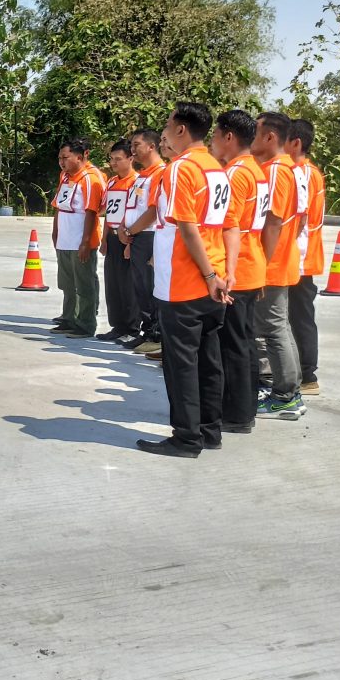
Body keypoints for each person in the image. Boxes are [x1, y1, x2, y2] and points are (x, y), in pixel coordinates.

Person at [136, 102, 230, 458]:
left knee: (181, 364)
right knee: (208, 360)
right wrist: (218, 275)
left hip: (185, 282)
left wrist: (206, 273)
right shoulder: (216, 169)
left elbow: (187, 227)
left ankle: (186, 437)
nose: (164, 131)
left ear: (181, 129)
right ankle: (209, 430)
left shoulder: (181, 169)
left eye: (168, 123)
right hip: (212, 279)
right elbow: (221, 225)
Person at [209, 110, 269, 434]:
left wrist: (224, 271)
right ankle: (244, 411)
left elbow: (228, 225)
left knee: (232, 345)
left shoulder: (235, 174)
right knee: (243, 342)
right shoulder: (256, 171)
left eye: (215, 135)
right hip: (250, 263)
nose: (213, 142)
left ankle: (235, 414)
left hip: (238, 267)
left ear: (228, 137)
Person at [250, 111, 306, 420]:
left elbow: (273, 221)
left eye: (255, 133)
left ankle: (286, 394)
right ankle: (284, 391)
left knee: (272, 329)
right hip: (278, 260)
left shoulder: (276, 171)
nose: (250, 139)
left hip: (270, 264)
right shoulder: (288, 169)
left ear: (270, 137)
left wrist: (261, 264)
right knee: (276, 327)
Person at [50, 137, 106, 339]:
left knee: (84, 283)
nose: (61, 162)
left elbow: (92, 212)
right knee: (67, 282)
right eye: (59, 158)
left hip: (80, 240)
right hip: (65, 238)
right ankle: (68, 317)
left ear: (79, 157)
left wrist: (85, 242)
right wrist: (56, 232)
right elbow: (58, 205)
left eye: (65, 157)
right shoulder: (64, 177)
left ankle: (85, 322)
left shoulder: (90, 179)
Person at [116, 129, 165, 353]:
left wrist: (131, 231)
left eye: (136, 145)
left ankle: (156, 335)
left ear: (152, 147)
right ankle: (147, 331)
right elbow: (133, 207)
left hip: (149, 236)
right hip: (136, 236)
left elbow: (153, 212)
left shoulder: (160, 173)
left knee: (149, 286)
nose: (132, 149)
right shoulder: (143, 175)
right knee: (140, 288)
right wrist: (124, 232)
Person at [287, 119, 325, 394]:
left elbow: (300, 220)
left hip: (300, 257)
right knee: (292, 316)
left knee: (300, 317)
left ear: (296, 143)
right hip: (296, 257)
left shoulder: (306, 174)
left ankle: (308, 375)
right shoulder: (301, 171)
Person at [96, 139, 139, 342]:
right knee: (112, 284)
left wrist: (129, 242)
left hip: (127, 237)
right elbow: (108, 213)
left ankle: (131, 328)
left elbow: (134, 214)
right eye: (112, 159)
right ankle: (117, 325)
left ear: (131, 158)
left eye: (118, 159)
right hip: (112, 237)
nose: (113, 163)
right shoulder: (112, 182)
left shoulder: (136, 182)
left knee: (127, 285)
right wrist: (104, 239)